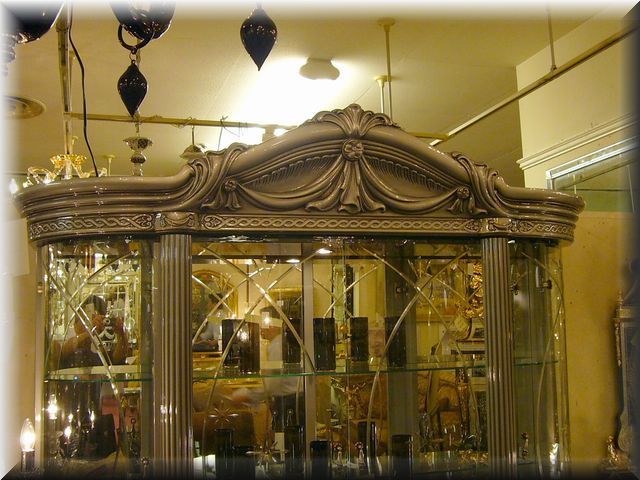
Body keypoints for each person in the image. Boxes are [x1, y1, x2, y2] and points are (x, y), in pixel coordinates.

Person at [61, 294, 129, 368]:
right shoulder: (72, 346)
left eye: (98, 319)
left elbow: (117, 361)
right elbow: (64, 351)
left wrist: (121, 334)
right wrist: (90, 332)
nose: (91, 323)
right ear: (75, 325)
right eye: (85, 320)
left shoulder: (104, 345)